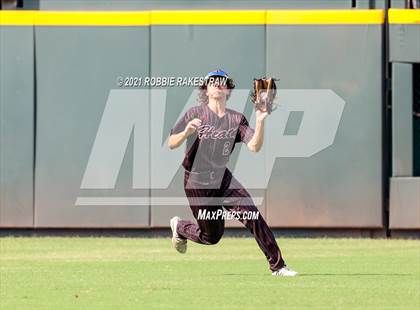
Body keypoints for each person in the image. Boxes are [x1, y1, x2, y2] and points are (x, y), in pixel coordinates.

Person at [168, 69, 297, 276]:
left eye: (222, 81)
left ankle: (278, 266)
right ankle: (180, 227)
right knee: (212, 237)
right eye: (213, 81)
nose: (218, 84)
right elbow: (171, 143)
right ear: (207, 90)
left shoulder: (236, 119)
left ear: (228, 89)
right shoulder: (194, 113)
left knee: (252, 215)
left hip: (223, 179)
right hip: (197, 182)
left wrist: (260, 120)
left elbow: (254, 146)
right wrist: (186, 133)